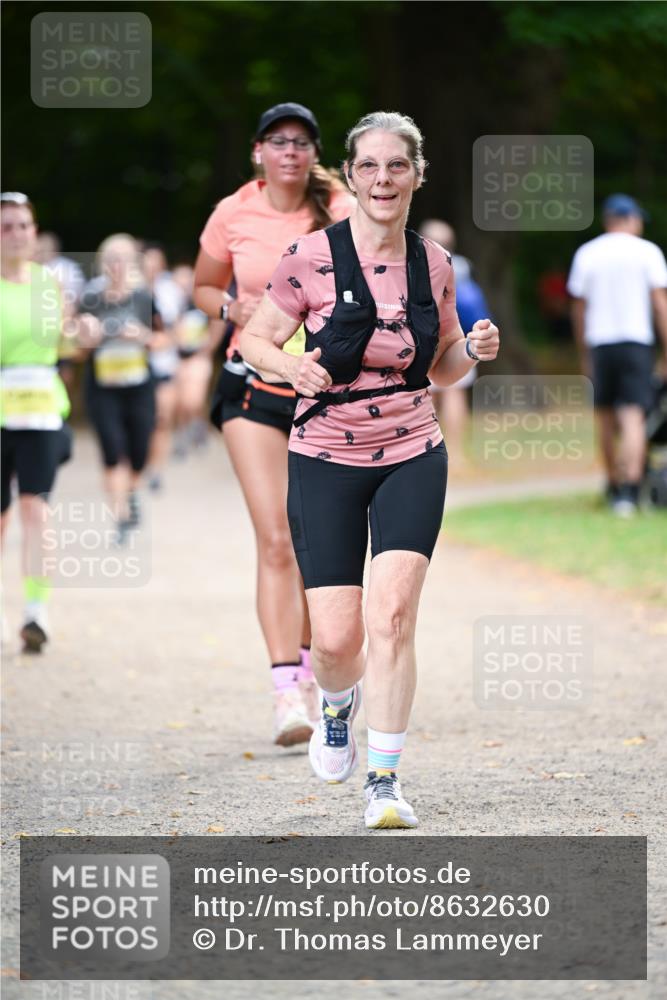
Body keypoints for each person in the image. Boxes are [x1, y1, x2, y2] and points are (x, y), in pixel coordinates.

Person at [239, 111, 500, 828]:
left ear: (416, 174)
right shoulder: (307, 256)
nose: (382, 179)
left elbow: (440, 367)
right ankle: (335, 704)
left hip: (412, 450)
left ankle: (382, 782)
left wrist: (470, 352)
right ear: (350, 175)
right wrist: (294, 365)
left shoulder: (433, 264)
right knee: (334, 641)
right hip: (324, 453)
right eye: (368, 166)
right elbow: (253, 340)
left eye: (396, 166)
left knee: (391, 615)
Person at [194, 102, 353, 748]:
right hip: (253, 387)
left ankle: (316, 674)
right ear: (258, 151)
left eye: (301, 142)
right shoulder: (233, 211)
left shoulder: (341, 207)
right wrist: (235, 305)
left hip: (324, 391)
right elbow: (205, 287)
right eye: (277, 141)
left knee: (319, 539)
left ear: (314, 154)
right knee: (276, 541)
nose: (289, 151)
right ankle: (286, 691)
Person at [0, 194, 91, 651]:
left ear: (34, 233)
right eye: (6, 227)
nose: (15, 234)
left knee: (37, 510)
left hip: (39, 412)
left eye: (22, 226)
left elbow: (65, 344)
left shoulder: (49, 285)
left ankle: (36, 612)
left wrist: (82, 336)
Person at [567, 194, 667, 516]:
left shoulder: (588, 253)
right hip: (636, 342)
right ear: (630, 219)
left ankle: (612, 485)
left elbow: (579, 308)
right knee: (634, 415)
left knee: (605, 417)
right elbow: (659, 304)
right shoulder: (647, 252)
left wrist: (584, 351)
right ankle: (630, 489)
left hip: (600, 343)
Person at [78, 234, 160, 541]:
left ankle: (132, 490)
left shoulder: (144, 297)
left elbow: (166, 339)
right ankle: (121, 516)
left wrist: (142, 336)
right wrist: (89, 336)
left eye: (123, 259)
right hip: (102, 386)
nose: (116, 265)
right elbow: (77, 346)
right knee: (112, 449)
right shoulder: (91, 298)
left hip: (139, 384)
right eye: (111, 259)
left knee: (139, 451)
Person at [419, 219, 491, 465]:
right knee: (455, 393)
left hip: (424, 340)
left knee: (427, 396)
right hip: (459, 338)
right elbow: (473, 303)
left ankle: (428, 451)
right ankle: (457, 454)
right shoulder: (461, 266)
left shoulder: (414, 265)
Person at [142, 244, 185, 491]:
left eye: (155, 263)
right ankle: (141, 463)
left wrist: (164, 342)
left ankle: (156, 469)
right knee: (143, 422)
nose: (151, 268)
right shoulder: (130, 289)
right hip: (136, 367)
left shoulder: (170, 292)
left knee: (162, 418)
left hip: (164, 364)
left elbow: (178, 329)